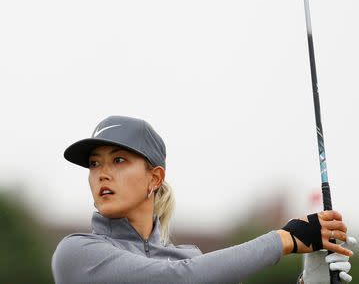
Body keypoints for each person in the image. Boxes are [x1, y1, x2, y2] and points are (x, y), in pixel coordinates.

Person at [51, 115, 356, 283]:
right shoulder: (78, 253)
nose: (102, 173)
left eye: (118, 160)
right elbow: (176, 280)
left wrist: (312, 279)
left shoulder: (192, 261)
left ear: (155, 179)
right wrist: (286, 239)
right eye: (94, 163)